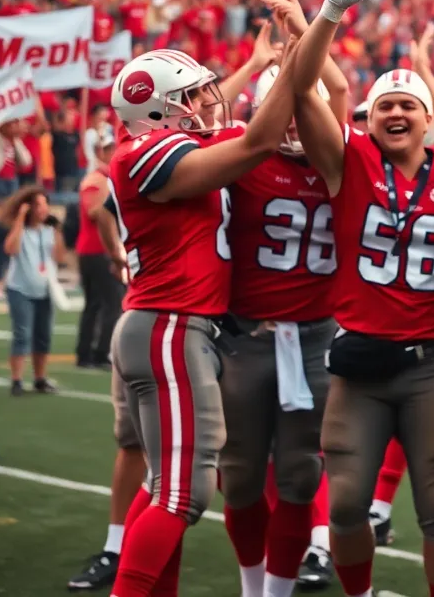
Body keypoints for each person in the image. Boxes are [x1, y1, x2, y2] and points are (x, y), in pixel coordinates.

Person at [287, 0, 434, 597]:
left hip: (433, 361)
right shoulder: (350, 160)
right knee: (342, 507)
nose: (394, 114)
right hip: (361, 359)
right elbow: (299, 90)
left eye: (407, 106)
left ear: (429, 118)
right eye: (382, 107)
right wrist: (332, 10)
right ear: (367, 118)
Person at [97, 40, 303, 597]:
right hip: (170, 327)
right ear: (160, 110)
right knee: (184, 494)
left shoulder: (149, 141)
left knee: (163, 483)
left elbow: (203, 126)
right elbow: (258, 140)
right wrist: (320, 28)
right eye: (191, 97)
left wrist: (255, 67)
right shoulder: (143, 152)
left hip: (165, 325)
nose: (208, 103)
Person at [218, 59, 343, 597]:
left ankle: (276, 592)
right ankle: (252, 587)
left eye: (302, 110)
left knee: (299, 474)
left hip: (315, 338)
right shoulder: (238, 158)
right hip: (246, 338)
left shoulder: (344, 160)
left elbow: (337, 91)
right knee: (240, 474)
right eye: (283, 110)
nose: (293, 122)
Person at [67, 211, 147, 593]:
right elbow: (100, 207)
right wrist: (119, 258)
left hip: (209, 321)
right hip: (146, 314)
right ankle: (117, 548)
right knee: (133, 443)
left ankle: (311, 541)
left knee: (232, 462)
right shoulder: (146, 160)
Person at [2, 185, 65, 396]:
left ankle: (39, 378)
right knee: (22, 334)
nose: (43, 209)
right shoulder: (21, 229)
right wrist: (20, 219)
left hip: (45, 289)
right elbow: (11, 249)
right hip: (20, 289)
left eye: (45, 204)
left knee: (43, 335)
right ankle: (17, 380)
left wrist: (58, 231)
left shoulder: (49, 230)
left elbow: (59, 257)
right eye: (38, 205)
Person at [75, 127, 126, 369]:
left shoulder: (104, 178)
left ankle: (87, 352)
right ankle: (99, 351)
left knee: (97, 303)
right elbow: (93, 211)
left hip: (96, 249)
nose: (113, 152)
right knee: (110, 302)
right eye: (108, 149)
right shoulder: (96, 180)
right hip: (96, 249)